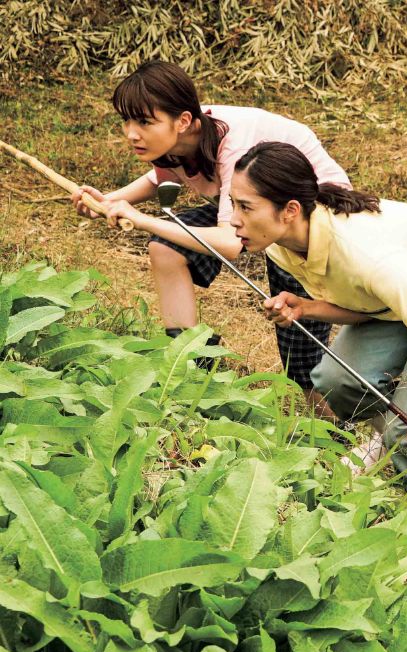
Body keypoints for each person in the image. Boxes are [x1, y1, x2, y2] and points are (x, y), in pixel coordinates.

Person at [228, 141, 407, 490]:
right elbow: (364, 302)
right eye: (232, 204)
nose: (233, 219)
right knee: (338, 383)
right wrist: (307, 307)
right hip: (406, 299)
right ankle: (394, 442)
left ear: (289, 209)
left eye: (245, 206)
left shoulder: (366, 254)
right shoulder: (281, 246)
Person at [70, 59, 347, 400]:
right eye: (126, 120)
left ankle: (331, 426)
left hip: (303, 218)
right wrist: (109, 201)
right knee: (166, 249)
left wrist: (140, 219)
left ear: (183, 121)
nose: (131, 132)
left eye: (144, 122)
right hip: (252, 207)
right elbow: (159, 179)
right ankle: (188, 364)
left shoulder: (233, 146)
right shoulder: (175, 141)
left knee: (297, 336)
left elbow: (230, 243)